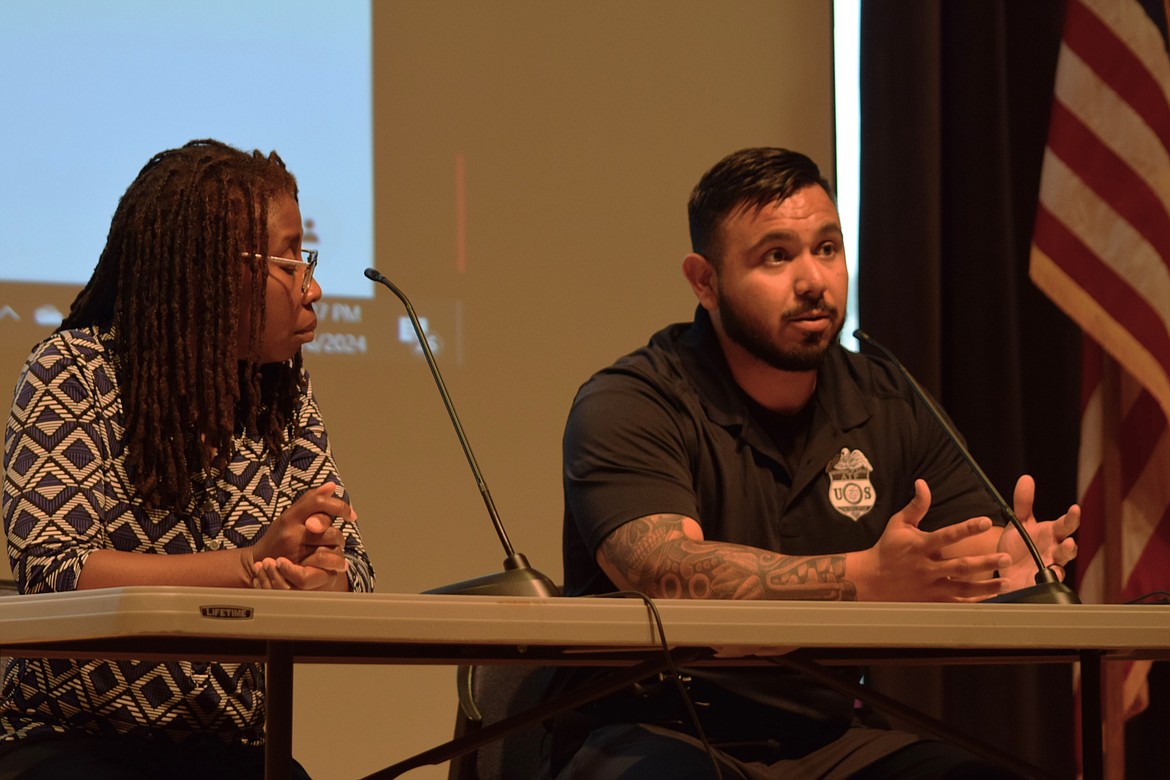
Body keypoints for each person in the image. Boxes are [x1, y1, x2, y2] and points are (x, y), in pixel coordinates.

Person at [549, 147, 1080, 779]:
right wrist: (866, 578)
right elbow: (663, 571)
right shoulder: (631, 402)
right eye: (777, 256)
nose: (813, 280)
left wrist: (1001, 565)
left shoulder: (885, 397)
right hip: (655, 732)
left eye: (827, 248)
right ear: (704, 280)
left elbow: (950, 548)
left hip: (831, 737)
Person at [0, 139, 374, 779]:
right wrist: (251, 563)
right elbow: (55, 569)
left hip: (234, 755)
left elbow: (357, 572)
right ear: (215, 270)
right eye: (290, 260)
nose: (313, 287)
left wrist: (321, 574)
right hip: (69, 744)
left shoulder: (279, 395)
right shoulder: (74, 373)